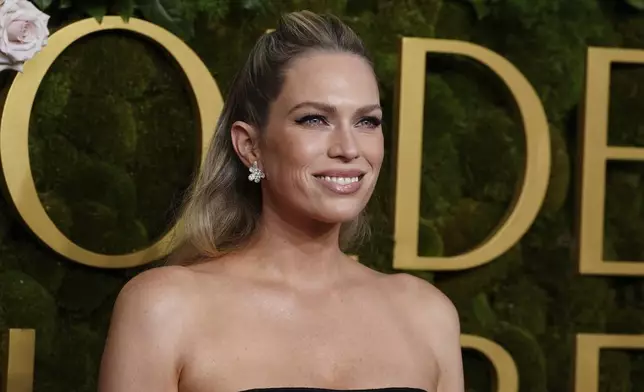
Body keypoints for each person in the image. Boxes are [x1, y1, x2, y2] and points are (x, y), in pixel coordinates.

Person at [97, 10, 464, 392]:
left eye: (367, 121)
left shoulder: (427, 315)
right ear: (250, 145)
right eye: (314, 120)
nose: (349, 148)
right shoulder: (164, 309)